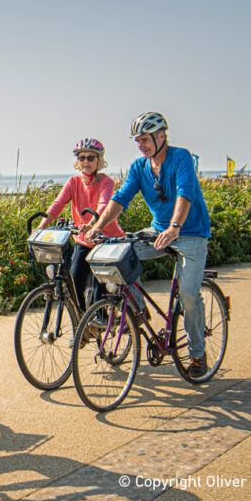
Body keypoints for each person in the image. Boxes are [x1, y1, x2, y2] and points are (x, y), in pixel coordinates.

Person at [83, 111, 212, 379]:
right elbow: (120, 199)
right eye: (138, 141)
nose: (141, 145)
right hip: (157, 232)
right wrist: (97, 227)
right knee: (118, 255)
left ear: (161, 136)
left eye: (145, 139)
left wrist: (175, 227)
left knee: (188, 295)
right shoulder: (138, 167)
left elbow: (184, 194)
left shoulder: (181, 157)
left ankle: (198, 355)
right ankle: (138, 308)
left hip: (191, 234)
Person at [37, 138, 124, 310]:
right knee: (74, 284)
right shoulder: (73, 182)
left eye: (91, 158)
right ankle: (82, 330)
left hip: (106, 241)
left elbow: (103, 205)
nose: (86, 162)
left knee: (100, 289)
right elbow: (58, 204)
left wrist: (92, 223)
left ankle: (101, 322)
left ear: (99, 160)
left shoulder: (107, 182)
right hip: (83, 240)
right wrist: (41, 226)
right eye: (81, 157)